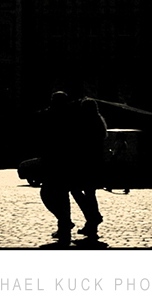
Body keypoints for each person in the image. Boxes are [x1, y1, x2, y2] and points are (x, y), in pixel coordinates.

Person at [38, 92, 76, 240]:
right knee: (62, 196)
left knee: (47, 194)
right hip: (66, 161)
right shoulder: (71, 116)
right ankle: (64, 225)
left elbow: (44, 137)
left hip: (54, 161)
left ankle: (64, 223)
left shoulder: (51, 115)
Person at [71, 98, 106, 238]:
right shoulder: (98, 121)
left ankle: (93, 217)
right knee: (90, 192)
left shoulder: (85, 123)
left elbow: (79, 143)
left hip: (84, 163)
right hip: (95, 163)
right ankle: (91, 222)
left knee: (76, 190)